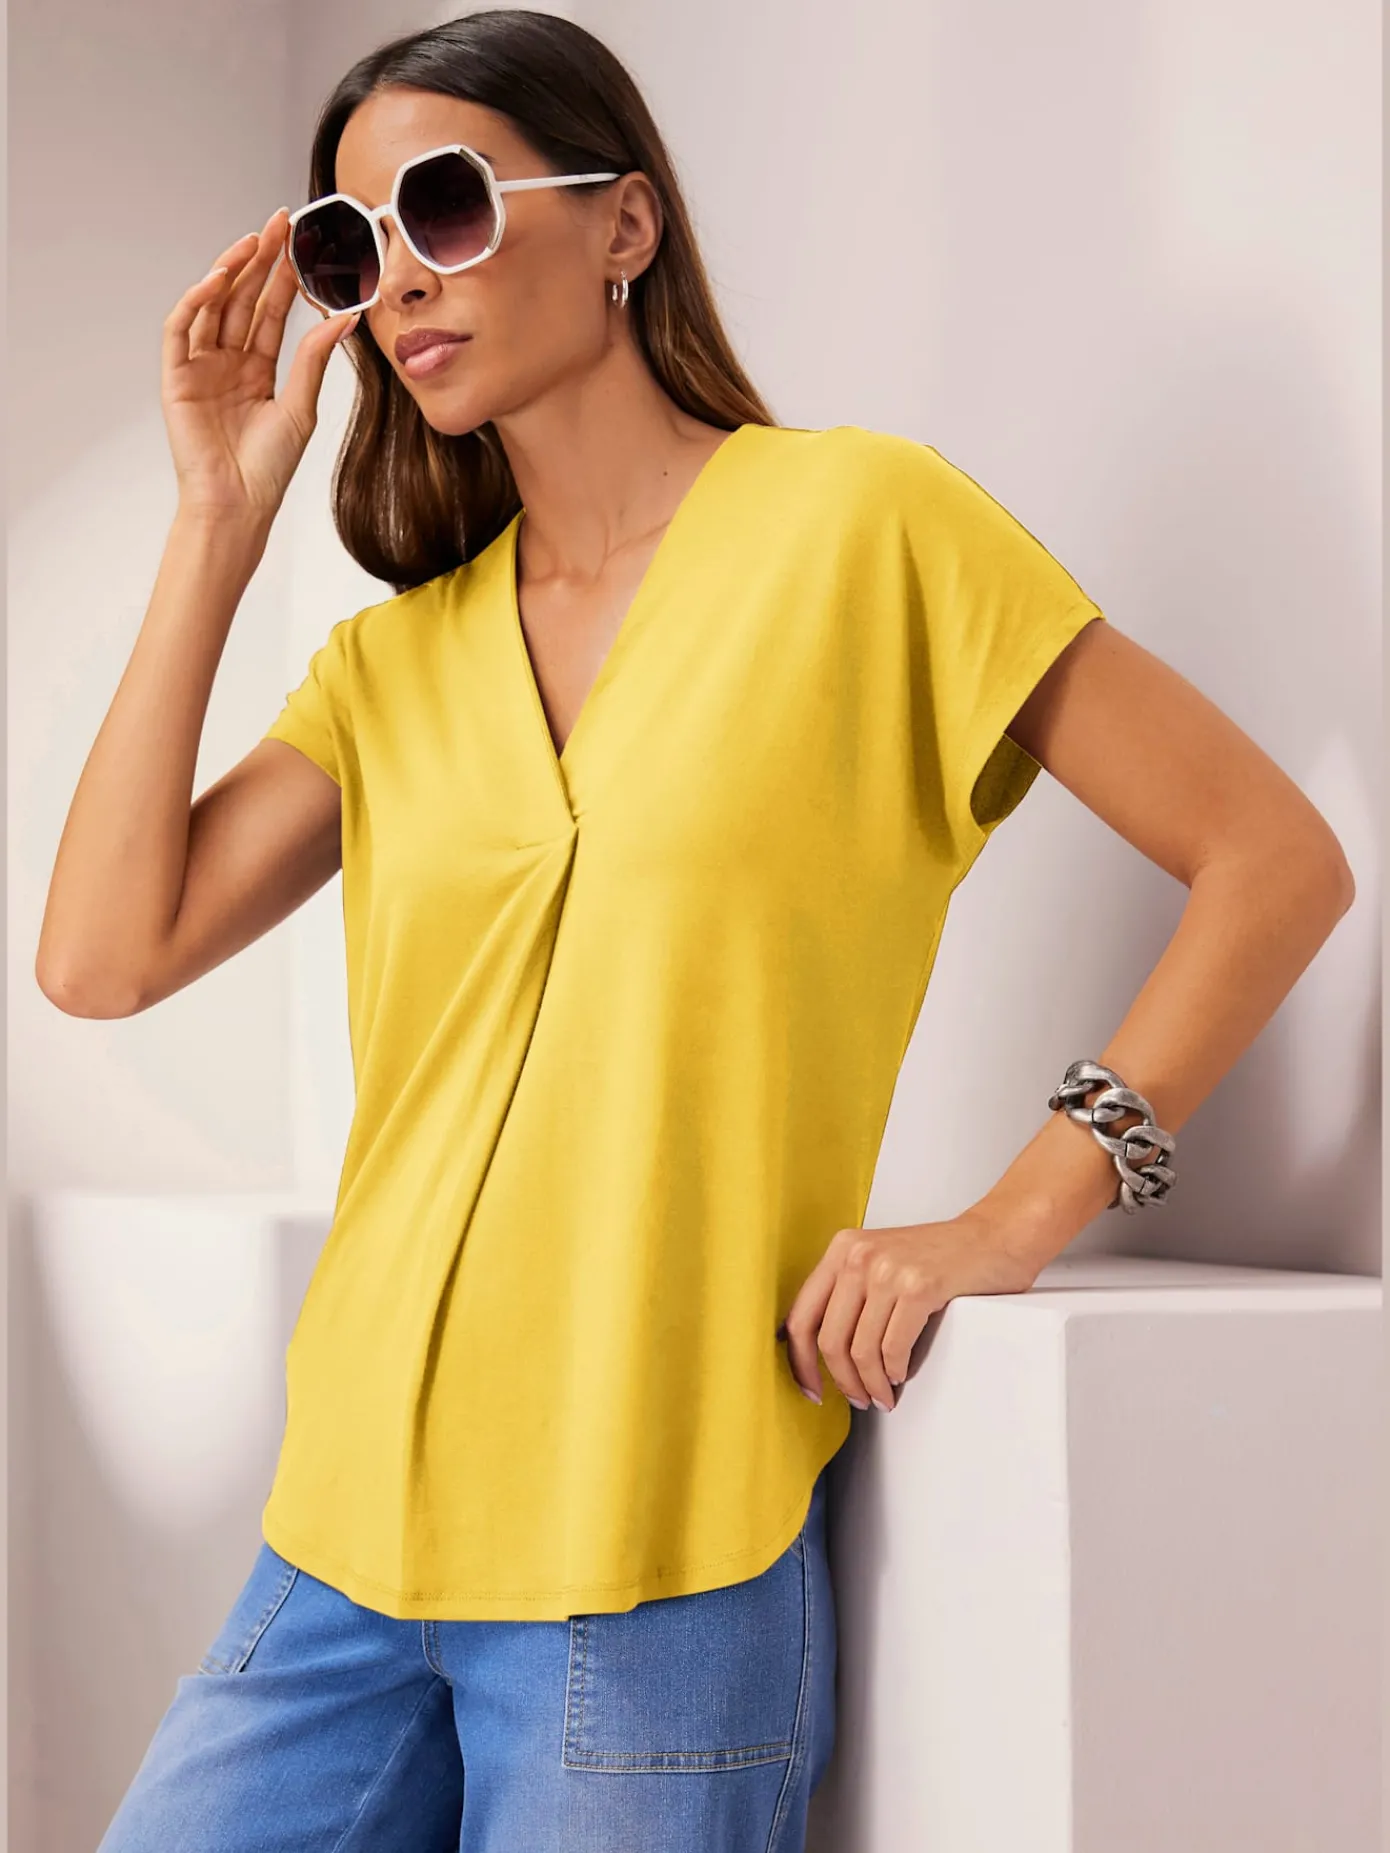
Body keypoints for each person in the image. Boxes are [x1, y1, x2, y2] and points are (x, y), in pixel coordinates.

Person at [37, 11, 1354, 1852]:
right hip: (335, 1554)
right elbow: (100, 961)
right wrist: (214, 519)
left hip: (655, 1565)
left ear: (625, 222)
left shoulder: (863, 529)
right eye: (350, 246)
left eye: (444, 207)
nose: (399, 281)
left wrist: (1013, 1215)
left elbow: (1272, 859)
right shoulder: (390, 665)